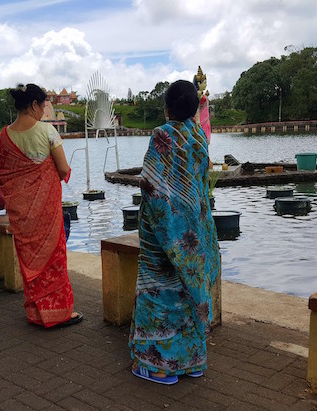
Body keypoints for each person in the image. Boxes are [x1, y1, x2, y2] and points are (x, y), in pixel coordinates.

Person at [129, 80, 220, 385]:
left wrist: (166, 231)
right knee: (185, 292)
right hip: (194, 228)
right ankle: (192, 362)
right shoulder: (198, 136)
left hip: (163, 232)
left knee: (159, 292)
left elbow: (151, 186)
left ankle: (158, 367)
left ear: (167, 108)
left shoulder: (161, 135)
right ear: (195, 108)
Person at [0, 83, 82, 329]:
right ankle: (60, 312)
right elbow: (63, 169)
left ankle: (36, 311)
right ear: (34, 105)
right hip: (47, 211)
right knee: (54, 257)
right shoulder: (47, 132)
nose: (45, 111)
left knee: (30, 257)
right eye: (43, 106)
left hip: (21, 212)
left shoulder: (5, 135)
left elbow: (2, 174)